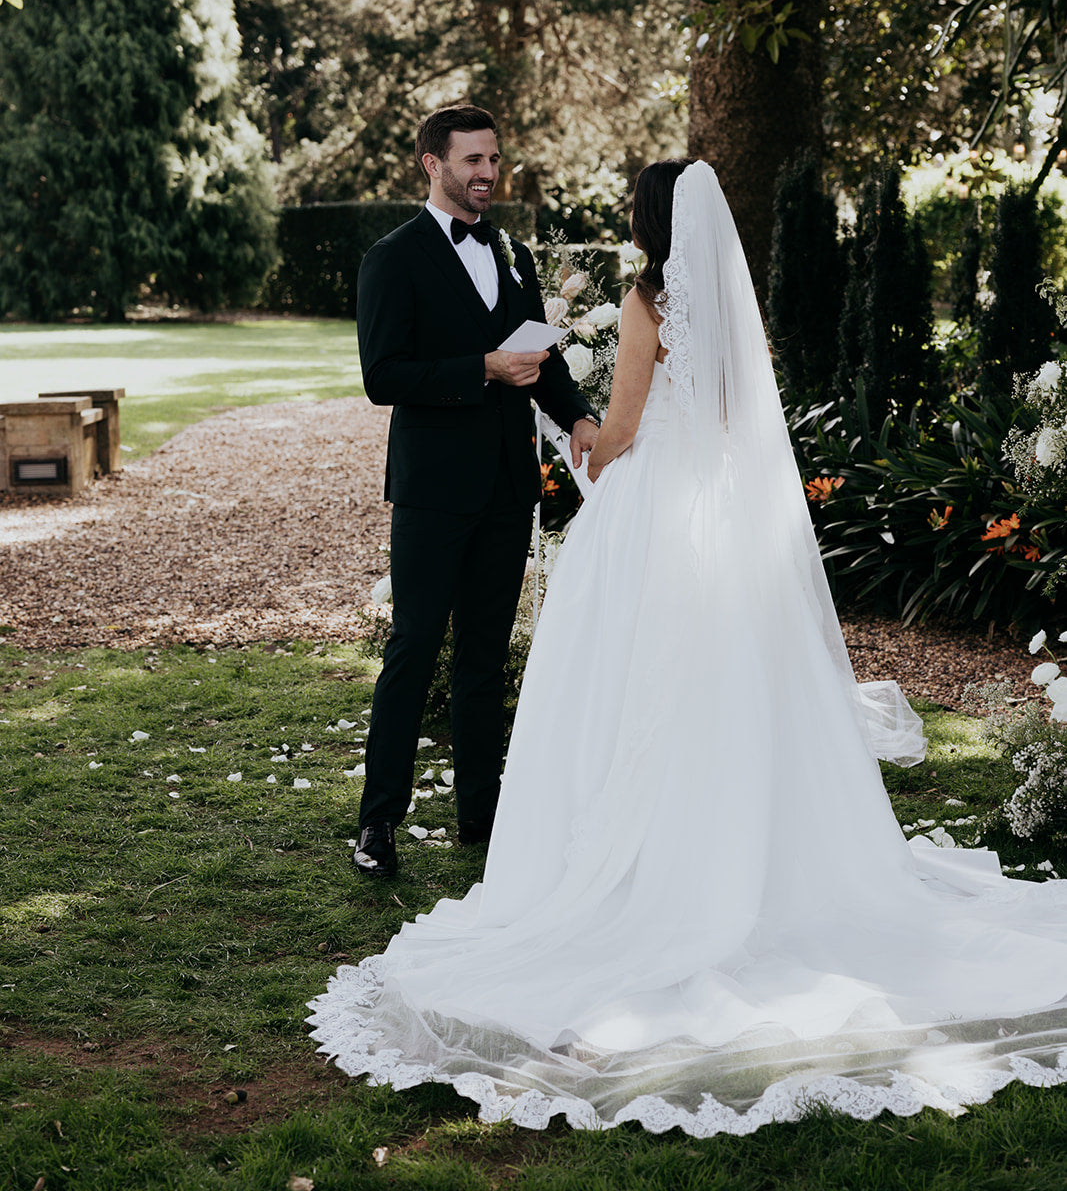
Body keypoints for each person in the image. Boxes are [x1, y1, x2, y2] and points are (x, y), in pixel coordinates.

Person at [312, 159, 1067, 1136]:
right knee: (716, 687)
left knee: (627, 689)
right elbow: (720, 421)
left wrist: (582, 436)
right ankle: (736, 845)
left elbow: (623, 428)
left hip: (648, 523)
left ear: (645, 221)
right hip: (716, 522)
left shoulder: (647, 300)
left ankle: (644, 863)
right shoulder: (719, 308)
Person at [352, 103, 599, 880]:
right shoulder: (392, 258)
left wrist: (579, 416)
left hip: (507, 483)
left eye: (494, 160)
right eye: (471, 161)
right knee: (415, 648)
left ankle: (482, 819)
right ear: (432, 163)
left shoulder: (514, 253)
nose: (487, 174)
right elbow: (381, 377)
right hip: (431, 488)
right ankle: (378, 823)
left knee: (485, 660)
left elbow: (543, 359)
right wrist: (479, 369)